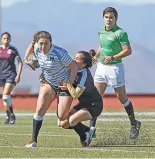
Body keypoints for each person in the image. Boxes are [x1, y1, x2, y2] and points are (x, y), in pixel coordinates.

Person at [89, 7, 141, 139]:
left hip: (115, 68)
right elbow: (102, 46)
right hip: (101, 67)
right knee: (96, 97)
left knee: (121, 97)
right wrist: (96, 56)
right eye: (106, 17)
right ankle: (91, 128)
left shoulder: (120, 33)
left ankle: (134, 124)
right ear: (103, 18)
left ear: (116, 19)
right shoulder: (101, 31)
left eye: (111, 17)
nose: (108, 19)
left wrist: (113, 57)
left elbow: (128, 51)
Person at [24, 31, 78, 148]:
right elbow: (29, 55)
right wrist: (27, 58)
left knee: (62, 118)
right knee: (39, 110)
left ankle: (85, 131)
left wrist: (70, 82)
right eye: (41, 44)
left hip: (64, 85)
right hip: (49, 83)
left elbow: (74, 67)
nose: (43, 47)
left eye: (46, 44)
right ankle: (33, 141)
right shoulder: (37, 49)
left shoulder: (60, 53)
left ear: (51, 43)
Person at [59, 51, 103, 147]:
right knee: (63, 124)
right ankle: (88, 130)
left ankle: (85, 135)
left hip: (94, 105)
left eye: (78, 59)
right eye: (74, 57)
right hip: (83, 103)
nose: (74, 60)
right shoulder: (74, 69)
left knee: (72, 121)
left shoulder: (84, 75)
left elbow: (75, 95)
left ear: (84, 64)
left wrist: (67, 84)